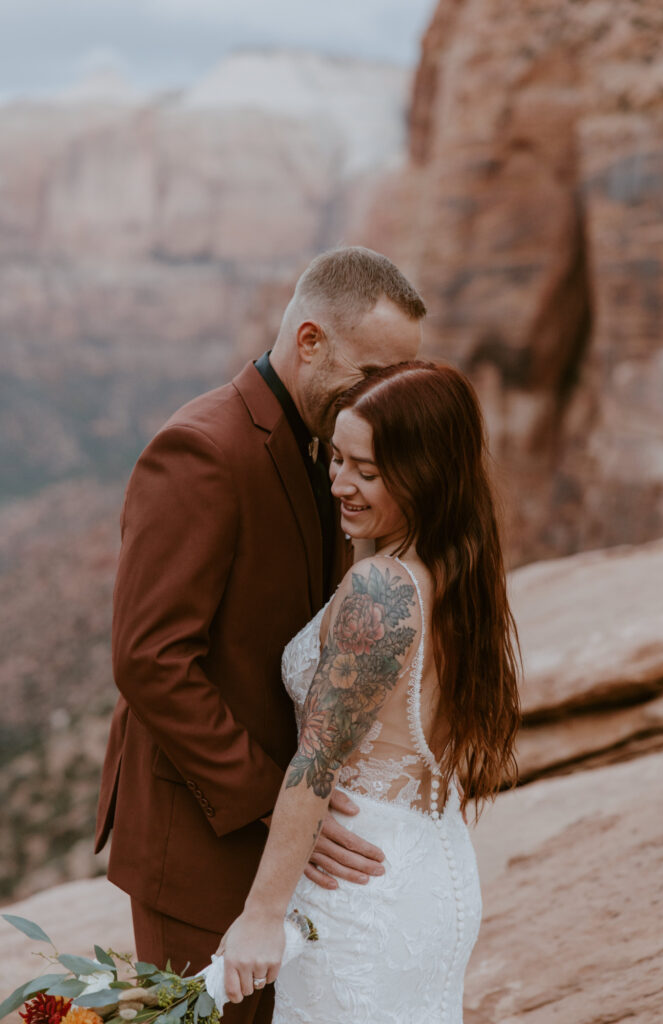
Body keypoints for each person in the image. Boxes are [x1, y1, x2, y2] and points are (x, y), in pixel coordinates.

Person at [94, 247, 425, 1024]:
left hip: (291, 835)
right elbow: (149, 661)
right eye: (372, 370)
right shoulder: (203, 450)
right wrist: (278, 806)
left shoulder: (335, 442)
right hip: (204, 838)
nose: (385, 394)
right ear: (309, 341)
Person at [216, 361, 522, 1024]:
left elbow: (318, 758)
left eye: (367, 471)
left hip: (357, 886)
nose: (339, 484)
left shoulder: (381, 591)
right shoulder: (458, 565)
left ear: (425, 473)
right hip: (429, 862)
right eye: (336, 459)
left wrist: (261, 917)